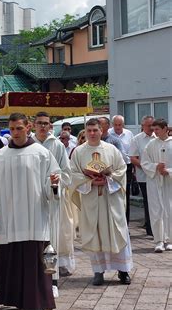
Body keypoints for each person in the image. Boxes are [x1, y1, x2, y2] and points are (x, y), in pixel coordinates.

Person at [0, 113, 60, 310]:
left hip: (34, 216)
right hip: (10, 217)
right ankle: (18, 299)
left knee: (36, 261)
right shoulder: (0, 155)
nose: (16, 133)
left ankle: (36, 304)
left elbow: (53, 181)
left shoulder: (41, 153)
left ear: (28, 127)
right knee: (14, 258)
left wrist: (54, 184)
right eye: (12, 129)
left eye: (19, 128)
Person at [70, 118, 132, 286]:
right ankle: (98, 271)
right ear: (85, 131)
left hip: (111, 199)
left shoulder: (111, 149)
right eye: (89, 130)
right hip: (91, 199)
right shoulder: (78, 152)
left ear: (101, 130)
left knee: (117, 232)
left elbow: (121, 170)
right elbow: (73, 175)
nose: (92, 133)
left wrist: (108, 180)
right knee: (94, 234)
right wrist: (90, 182)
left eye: (95, 130)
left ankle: (123, 271)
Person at [32, 112, 74, 290]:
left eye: (46, 124)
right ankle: (34, 278)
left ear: (50, 126)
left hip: (52, 199)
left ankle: (52, 280)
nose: (43, 126)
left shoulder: (56, 145)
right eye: (39, 123)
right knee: (33, 240)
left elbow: (67, 172)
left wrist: (56, 182)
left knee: (52, 239)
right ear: (33, 125)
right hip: (31, 199)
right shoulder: (28, 144)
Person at [141, 119, 172, 253]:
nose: (154, 132)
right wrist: (155, 167)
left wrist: (169, 171)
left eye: (157, 129)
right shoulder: (151, 145)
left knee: (170, 210)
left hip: (169, 182)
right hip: (154, 182)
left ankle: (170, 240)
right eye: (153, 130)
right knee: (156, 210)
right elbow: (144, 162)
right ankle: (158, 240)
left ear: (165, 128)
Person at [129, 115, 155, 237]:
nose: (151, 128)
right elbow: (133, 158)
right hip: (144, 176)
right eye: (148, 125)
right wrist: (147, 168)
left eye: (152, 125)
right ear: (142, 126)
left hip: (159, 176)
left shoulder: (158, 138)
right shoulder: (137, 139)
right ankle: (150, 228)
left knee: (159, 202)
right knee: (148, 201)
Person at [109, 115, 134, 223]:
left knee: (125, 194)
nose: (118, 127)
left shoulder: (129, 134)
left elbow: (133, 150)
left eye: (120, 125)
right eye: (116, 125)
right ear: (112, 124)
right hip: (112, 168)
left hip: (127, 166)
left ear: (123, 125)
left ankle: (126, 223)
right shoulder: (109, 134)